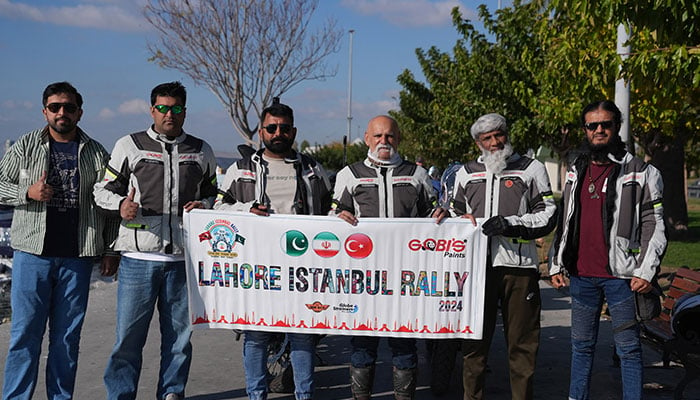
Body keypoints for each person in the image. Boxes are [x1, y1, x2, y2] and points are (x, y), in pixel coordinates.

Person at [94, 81, 218, 400]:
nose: (169, 114)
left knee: (179, 340)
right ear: (152, 110)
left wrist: (204, 206)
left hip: (182, 261)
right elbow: (101, 190)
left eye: (176, 108)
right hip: (138, 260)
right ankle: (120, 395)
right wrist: (120, 205)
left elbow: (215, 195)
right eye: (163, 108)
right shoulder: (129, 145)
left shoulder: (201, 149)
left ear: (185, 112)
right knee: (128, 341)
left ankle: (172, 393)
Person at [0, 81, 119, 399]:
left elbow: (109, 205)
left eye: (68, 107)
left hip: (77, 257)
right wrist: (27, 192)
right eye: (55, 107)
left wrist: (109, 249)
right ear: (44, 111)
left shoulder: (96, 153)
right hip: (31, 255)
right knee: (25, 335)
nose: (61, 112)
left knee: (66, 339)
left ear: (80, 112)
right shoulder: (25, 146)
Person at [215, 98, 332, 400]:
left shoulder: (313, 168)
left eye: (284, 128)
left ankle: (304, 395)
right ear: (260, 131)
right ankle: (257, 395)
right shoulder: (241, 169)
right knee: (255, 335)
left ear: (294, 131)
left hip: (304, 264)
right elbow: (219, 208)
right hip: (256, 265)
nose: (278, 132)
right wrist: (247, 209)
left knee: (303, 334)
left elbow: (331, 208)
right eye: (271, 127)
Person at [549, 100, 666, 400]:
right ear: (585, 130)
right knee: (581, 347)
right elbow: (566, 218)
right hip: (581, 275)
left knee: (628, 350)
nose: (599, 130)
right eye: (592, 125)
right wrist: (556, 262)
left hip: (622, 278)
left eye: (606, 124)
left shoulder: (642, 172)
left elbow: (655, 225)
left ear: (617, 126)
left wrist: (645, 271)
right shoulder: (576, 170)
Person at [332, 115, 447, 400]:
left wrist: (443, 216)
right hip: (362, 277)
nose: (384, 141)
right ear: (367, 138)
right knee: (362, 346)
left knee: (405, 346)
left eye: (390, 136)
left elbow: (433, 214)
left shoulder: (417, 174)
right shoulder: (349, 174)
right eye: (378, 136)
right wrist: (335, 218)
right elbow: (332, 216)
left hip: (404, 277)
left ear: (398, 139)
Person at [447, 113, 557, 400]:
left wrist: (511, 224)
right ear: (477, 143)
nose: (495, 142)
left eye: (500, 134)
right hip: (475, 268)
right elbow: (453, 213)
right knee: (473, 344)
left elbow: (548, 213)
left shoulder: (531, 168)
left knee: (522, 344)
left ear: (507, 134)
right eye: (488, 138)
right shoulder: (466, 172)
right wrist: (454, 217)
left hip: (518, 267)